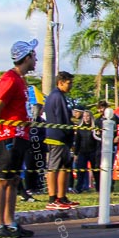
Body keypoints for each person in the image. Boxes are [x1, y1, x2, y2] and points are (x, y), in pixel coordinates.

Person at [0, 39, 38, 238]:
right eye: (33, 55)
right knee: (1, 180)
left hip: (19, 136)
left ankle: (10, 222)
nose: (36, 59)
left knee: (13, 180)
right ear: (27, 57)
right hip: (7, 136)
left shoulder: (21, 80)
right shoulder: (9, 79)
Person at [44, 71, 78, 210]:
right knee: (54, 167)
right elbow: (62, 119)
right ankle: (52, 198)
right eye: (69, 83)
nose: (70, 86)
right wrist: (69, 132)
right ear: (61, 82)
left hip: (63, 139)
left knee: (65, 168)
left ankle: (62, 196)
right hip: (57, 137)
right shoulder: (57, 97)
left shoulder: (59, 96)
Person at [73, 109, 101, 192]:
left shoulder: (95, 127)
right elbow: (77, 141)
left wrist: (98, 134)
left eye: (87, 116)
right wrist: (76, 153)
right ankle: (79, 188)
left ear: (91, 117)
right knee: (80, 170)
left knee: (96, 170)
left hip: (93, 151)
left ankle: (98, 188)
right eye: (84, 116)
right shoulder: (80, 128)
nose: (86, 118)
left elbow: (99, 140)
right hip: (82, 152)